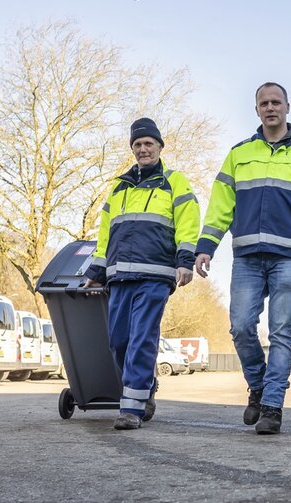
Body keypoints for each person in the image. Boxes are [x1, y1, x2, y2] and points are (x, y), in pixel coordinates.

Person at [195, 82, 291, 434]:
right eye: (263, 103)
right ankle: (257, 386)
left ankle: (272, 405)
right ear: (256, 110)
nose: (270, 107)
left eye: (276, 102)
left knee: (282, 331)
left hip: (290, 256)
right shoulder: (238, 154)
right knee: (240, 327)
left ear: (288, 107)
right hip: (247, 257)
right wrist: (205, 246)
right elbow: (220, 208)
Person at [84, 118, 200, 430]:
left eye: (148, 143)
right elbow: (105, 233)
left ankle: (131, 409)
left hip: (155, 275)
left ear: (160, 147)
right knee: (118, 341)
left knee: (140, 339)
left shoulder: (174, 182)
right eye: (137, 144)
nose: (142, 149)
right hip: (119, 276)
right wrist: (97, 269)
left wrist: (185, 260)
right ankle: (145, 388)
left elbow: (189, 223)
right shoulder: (119, 187)